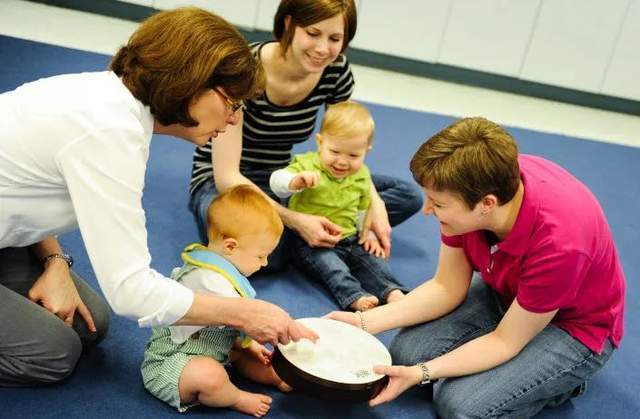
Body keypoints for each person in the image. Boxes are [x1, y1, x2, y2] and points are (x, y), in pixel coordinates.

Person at [0, 7, 315, 388]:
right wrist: (243, 314)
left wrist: (55, 262)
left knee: (91, 325)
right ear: (192, 84)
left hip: (10, 235)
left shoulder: (112, 103)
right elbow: (131, 292)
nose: (234, 120)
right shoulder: (109, 133)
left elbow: (25, 189)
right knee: (51, 354)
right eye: (232, 104)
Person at [327, 117, 626, 418]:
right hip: (508, 290)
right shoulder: (475, 182)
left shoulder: (562, 244)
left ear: (487, 204)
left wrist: (424, 372)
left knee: (460, 405)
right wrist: (364, 323)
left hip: (571, 325)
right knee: (403, 355)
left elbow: (505, 341)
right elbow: (446, 287)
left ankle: (565, 381)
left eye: (438, 205)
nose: (427, 211)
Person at [188, 0, 422, 272]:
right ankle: (324, 233)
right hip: (223, 181)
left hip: (286, 178)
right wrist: (296, 220)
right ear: (289, 24)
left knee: (407, 196)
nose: (323, 49)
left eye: (335, 38)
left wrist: (376, 203)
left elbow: (344, 137)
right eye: (313, 33)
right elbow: (227, 177)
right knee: (264, 254)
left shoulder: (336, 72)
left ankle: (318, 232)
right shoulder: (244, 71)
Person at [141, 186, 291, 417]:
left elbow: (237, 329)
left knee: (243, 354)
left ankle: (272, 376)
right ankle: (234, 397)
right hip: (172, 363)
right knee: (211, 376)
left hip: (216, 350)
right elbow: (246, 318)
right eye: (260, 255)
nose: (264, 263)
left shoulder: (223, 272)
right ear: (230, 246)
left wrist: (250, 345)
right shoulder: (206, 279)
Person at [269, 101, 408, 311]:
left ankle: (392, 291)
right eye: (335, 152)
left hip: (350, 238)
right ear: (319, 142)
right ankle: (354, 296)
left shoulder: (362, 175)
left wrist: (367, 234)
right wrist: (294, 181)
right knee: (333, 269)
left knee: (374, 263)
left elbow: (363, 209)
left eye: (353, 156)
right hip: (312, 243)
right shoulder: (307, 165)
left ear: (366, 151)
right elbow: (276, 181)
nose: (343, 162)